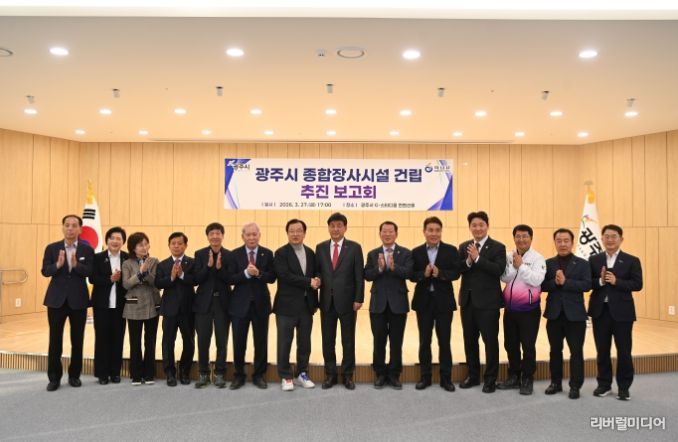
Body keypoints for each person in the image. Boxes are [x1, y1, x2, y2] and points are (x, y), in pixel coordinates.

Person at [589, 224, 643, 401]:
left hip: (622, 313)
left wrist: (616, 281)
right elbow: (588, 283)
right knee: (602, 350)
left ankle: (624, 387)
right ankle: (604, 384)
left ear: (621, 239)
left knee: (624, 351)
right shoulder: (594, 259)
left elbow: (637, 284)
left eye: (614, 236)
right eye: (607, 236)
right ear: (602, 239)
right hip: (600, 312)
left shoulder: (631, 260)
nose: (610, 240)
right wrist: (600, 281)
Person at [41, 214, 94, 391]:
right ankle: (54, 378)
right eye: (67, 225)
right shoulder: (52, 248)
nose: (70, 228)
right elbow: (45, 271)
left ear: (80, 229)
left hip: (78, 300)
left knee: (77, 340)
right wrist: (58, 265)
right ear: (63, 227)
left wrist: (76, 265)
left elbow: (90, 272)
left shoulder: (87, 250)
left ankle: (74, 376)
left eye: (74, 225)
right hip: (56, 300)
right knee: (54, 341)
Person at [458, 211, 506, 393]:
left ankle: (490, 379)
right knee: (470, 341)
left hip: (489, 303)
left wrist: (477, 258)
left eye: (481, 225)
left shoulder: (498, 247)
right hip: (468, 302)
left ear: (487, 226)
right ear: (470, 227)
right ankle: (473, 376)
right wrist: (468, 261)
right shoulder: (464, 246)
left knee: (490, 341)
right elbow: (458, 269)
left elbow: (498, 270)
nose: (478, 228)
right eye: (474, 225)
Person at [315, 212, 365, 390]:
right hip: (326, 302)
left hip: (348, 302)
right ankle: (330, 375)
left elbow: (359, 276)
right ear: (328, 228)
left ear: (345, 228)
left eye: (339, 226)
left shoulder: (354, 248)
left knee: (348, 341)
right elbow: (318, 271)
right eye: (332, 226)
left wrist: (359, 298)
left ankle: (348, 375)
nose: (335, 229)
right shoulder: (320, 247)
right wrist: (318, 279)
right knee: (328, 341)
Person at [409, 217, 459, 391]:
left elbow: (456, 273)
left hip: (444, 303)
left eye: (437, 230)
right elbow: (411, 275)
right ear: (424, 231)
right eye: (430, 230)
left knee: (444, 341)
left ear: (441, 232)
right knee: (425, 341)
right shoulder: (416, 252)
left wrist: (440, 273)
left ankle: (446, 379)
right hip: (423, 302)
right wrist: (423, 274)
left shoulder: (451, 250)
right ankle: (425, 377)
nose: (434, 233)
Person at [542, 228, 591, 399]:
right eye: (559, 241)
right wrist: (555, 283)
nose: (562, 244)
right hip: (554, 314)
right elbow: (542, 286)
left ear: (572, 242)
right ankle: (555, 383)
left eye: (566, 241)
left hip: (575, 316)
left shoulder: (583, 264)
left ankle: (575, 386)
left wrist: (566, 282)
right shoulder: (548, 263)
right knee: (555, 351)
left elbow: (587, 285)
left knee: (576, 352)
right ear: (555, 243)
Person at [497, 224, 546, 395]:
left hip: (529, 310)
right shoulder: (508, 256)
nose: (521, 239)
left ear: (531, 238)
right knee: (510, 344)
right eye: (518, 236)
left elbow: (537, 280)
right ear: (514, 238)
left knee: (528, 345)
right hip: (510, 309)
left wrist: (522, 266)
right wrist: (514, 265)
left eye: (525, 236)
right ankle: (513, 376)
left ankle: (527, 378)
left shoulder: (538, 258)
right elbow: (504, 277)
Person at [365, 221, 413, 390]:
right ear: (380, 234)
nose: (387, 234)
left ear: (396, 234)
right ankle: (380, 373)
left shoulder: (405, 253)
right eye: (384, 231)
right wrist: (379, 269)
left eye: (390, 231)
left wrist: (394, 267)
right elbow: (367, 275)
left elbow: (409, 273)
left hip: (398, 304)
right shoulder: (373, 254)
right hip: (378, 304)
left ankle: (394, 374)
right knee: (378, 341)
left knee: (396, 341)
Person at [227, 222, 276, 389]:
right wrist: (246, 274)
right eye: (248, 235)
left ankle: (259, 375)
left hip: (261, 304)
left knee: (261, 342)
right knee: (238, 342)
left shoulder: (267, 253)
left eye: (255, 234)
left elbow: (272, 277)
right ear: (243, 237)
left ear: (259, 235)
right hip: (239, 306)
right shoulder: (234, 254)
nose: (252, 237)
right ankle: (238, 375)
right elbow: (230, 279)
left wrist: (259, 273)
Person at [273, 219, 319, 391]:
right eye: (292, 231)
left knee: (304, 343)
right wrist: (309, 282)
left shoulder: (310, 252)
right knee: (285, 343)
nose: (295, 234)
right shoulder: (281, 253)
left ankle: (302, 373)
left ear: (304, 233)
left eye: (299, 231)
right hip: (286, 306)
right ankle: (286, 376)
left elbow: (316, 273)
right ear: (287, 233)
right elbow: (285, 276)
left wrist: (318, 279)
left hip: (306, 306)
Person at [193, 222, 231, 389]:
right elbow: (196, 279)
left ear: (222, 236)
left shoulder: (229, 255)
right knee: (203, 340)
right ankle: (203, 373)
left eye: (218, 233)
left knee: (222, 340)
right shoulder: (200, 254)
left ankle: (220, 373)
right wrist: (208, 267)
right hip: (203, 303)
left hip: (223, 303)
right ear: (207, 236)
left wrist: (220, 269)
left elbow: (231, 279)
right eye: (212, 234)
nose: (215, 236)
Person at [156, 232, 196, 386]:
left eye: (180, 243)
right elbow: (158, 283)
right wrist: (172, 277)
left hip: (188, 309)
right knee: (167, 342)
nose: (176, 246)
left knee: (189, 341)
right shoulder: (163, 264)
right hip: (169, 309)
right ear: (169, 245)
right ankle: (170, 373)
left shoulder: (192, 263)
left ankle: (184, 372)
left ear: (185, 245)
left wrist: (182, 275)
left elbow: (196, 280)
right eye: (173, 243)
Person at [90, 226, 129, 385]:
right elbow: (92, 278)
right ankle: (102, 373)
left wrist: (120, 279)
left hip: (121, 305)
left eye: (118, 238)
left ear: (123, 242)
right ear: (107, 240)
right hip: (101, 305)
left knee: (118, 338)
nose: (115, 241)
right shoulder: (98, 257)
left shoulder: (127, 258)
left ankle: (115, 372)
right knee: (101, 339)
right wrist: (110, 279)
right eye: (112, 238)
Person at [122, 232, 161, 386]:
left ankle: (149, 373)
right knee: (135, 341)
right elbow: (126, 284)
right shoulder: (127, 263)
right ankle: (136, 375)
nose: (144, 247)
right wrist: (139, 274)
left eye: (146, 244)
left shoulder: (154, 261)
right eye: (140, 245)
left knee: (150, 341)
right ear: (133, 248)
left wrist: (146, 273)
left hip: (151, 304)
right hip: (133, 305)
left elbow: (156, 282)